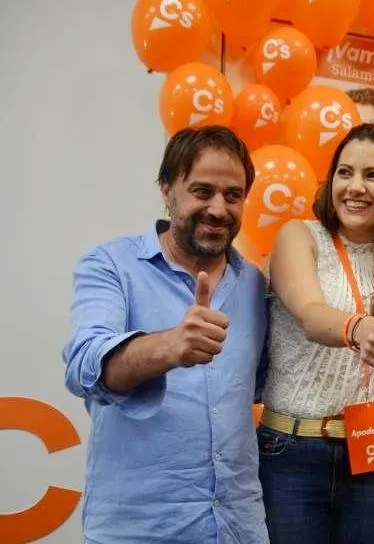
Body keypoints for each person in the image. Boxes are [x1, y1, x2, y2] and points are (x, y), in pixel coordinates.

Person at [62, 126, 269, 543]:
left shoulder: (255, 284)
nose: (218, 209)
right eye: (202, 191)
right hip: (140, 530)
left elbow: (261, 385)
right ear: (167, 188)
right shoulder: (111, 265)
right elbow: (85, 367)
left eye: (232, 196)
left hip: (238, 527)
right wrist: (170, 346)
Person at [257, 123, 374, 544]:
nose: (355, 187)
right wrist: (358, 328)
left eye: (373, 175)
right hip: (293, 452)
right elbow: (311, 315)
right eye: (345, 172)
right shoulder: (300, 236)